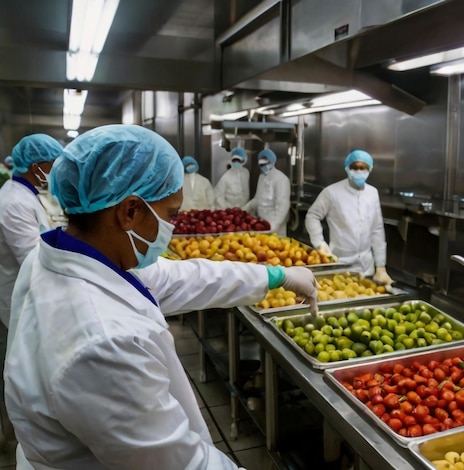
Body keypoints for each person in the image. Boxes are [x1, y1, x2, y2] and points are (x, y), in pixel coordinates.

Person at [4, 124, 318, 470]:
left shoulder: (68, 253)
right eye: (171, 214)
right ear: (130, 212)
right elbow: (180, 463)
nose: (173, 225)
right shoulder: (104, 344)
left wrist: (276, 275)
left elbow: (182, 277)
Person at [0, 134, 63, 450]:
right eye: (53, 166)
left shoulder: (26, 194)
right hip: (16, 298)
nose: (54, 172)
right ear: (38, 166)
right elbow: (31, 258)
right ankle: (16, 440)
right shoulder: (13, 202)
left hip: (27, 296)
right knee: (17, 372)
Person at [305, 149, 393, 285]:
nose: (358, 171)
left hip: (366, 267)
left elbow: (377, 230)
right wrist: (319, 243)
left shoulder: (372, 193)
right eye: (354, 167)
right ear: (347, 168)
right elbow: (312, 216)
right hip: (340, 265)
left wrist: (380, 266)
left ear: (369, 169)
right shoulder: (332, 192)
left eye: (362, 168)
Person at [243, 148, 291, 236]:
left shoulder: (281, 179)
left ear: (272, 162)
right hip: (262, 223)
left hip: (276, 227)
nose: (263, 167)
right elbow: (257, 199)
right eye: (261, 165)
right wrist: (244, 209)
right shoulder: (262, 177)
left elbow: (282, 206)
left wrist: (274, 225)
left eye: (265, 164)